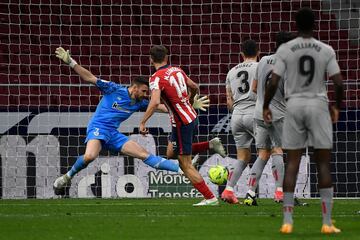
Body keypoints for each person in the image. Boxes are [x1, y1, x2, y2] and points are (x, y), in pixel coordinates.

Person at [53, 47, 190, 193]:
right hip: (98, 128)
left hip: (113, 133)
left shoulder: (139, 102)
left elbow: (162, 107)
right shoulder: (113, 89)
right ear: (135, 88)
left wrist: (188, 104)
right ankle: (65, 178)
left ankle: (182, 169)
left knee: (144, 154)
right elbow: (90, 78)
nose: (146, 95)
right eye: (144, 91)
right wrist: (71, 62)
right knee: (90, 156)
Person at [263, 8, 343, 234]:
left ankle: (287, 221)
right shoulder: (326, 49)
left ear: (296, 25)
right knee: (324, 164)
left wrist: (266, 105)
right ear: (314, 24)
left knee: (292, 163)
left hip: (294, 105)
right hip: (318, 105)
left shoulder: (286, 49)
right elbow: (338, 82)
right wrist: (336, 107)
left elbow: (273, 81)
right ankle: (327, 223)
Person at [140, 45, 218, 206]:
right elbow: (195, 86)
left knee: (185, 163)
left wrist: (143, 122)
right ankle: (210, 145)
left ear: (150, 59)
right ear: (166, 58)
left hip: (182, 123)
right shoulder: (177, 70)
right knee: (170, 153)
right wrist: (190, 100)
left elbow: (154, 102)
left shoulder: (155, 78)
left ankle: (210, 198)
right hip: (189, 118)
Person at [243, 32, 295, 206]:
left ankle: (250, 194)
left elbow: (255, 88)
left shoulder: (263, 60)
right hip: (277, 114)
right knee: (278, 150)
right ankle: (280, 193)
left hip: (258, 113)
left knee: (263, 153)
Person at [221, 40, 259, 204]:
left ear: (241, 54)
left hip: (236, 115)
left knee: (243, 157)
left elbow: (228, 102)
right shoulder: (260, 67)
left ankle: (229, 189)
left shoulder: (231, 72)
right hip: (255, 113)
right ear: (259, 53)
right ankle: (253, 192)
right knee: (270, 152)